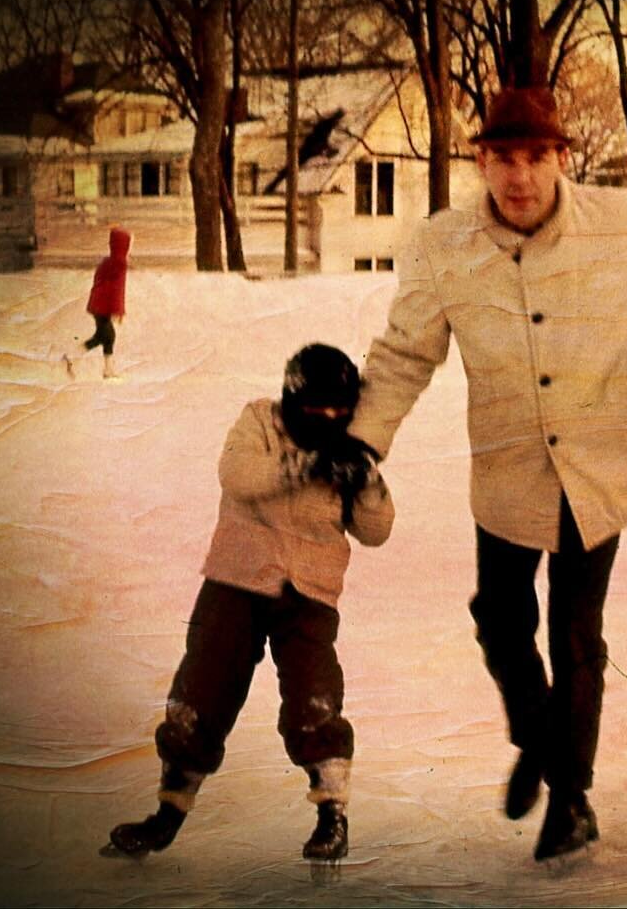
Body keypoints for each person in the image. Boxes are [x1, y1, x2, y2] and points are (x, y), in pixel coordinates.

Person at [340, 86, 627, 861]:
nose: (518, 176)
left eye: (535, 157)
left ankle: (572, 798)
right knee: (499, 619)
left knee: (574, 634)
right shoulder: (442, 243)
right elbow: (403, 354)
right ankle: (538, 736)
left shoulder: (622, 220)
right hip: (509, 470)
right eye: (502, 158)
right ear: (481, 162)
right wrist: (365, 443)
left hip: (599, 464)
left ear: (563, 158)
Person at [103, 344, 394, 862]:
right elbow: (238, 475)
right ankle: (169, 810)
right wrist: (304, 466)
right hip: (236, 581)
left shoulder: (350, 448)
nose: (328, 421)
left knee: (315, 699)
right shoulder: (259, 420)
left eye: (338, 412)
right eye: (317, 410)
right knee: (202, 692)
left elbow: (376, 532)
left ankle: (332, 814)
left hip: (309, 593)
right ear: (293, 398)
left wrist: (368, 484)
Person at [69, 226, 131, 379]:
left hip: (98, 305)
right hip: (103, 306)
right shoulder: (119, 264)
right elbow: (118, 290)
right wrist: (118, 310)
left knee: (103, 336)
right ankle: (74, 359)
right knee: (107, 336)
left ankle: (103, 368)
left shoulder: (108, 262)